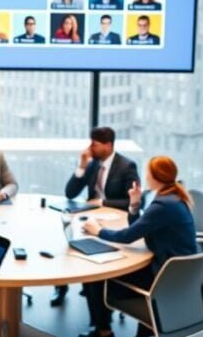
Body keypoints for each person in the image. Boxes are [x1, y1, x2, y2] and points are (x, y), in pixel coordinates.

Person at [76, 156, 198, 337]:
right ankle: (143, 328)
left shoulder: (163, 205)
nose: (145, 176)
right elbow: (141, 228)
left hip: (163, 276)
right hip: (176, 273)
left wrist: (97, 231)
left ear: (155, 177)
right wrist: (134, 204)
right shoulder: (172, 196)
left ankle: (103, 332)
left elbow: (127, 236)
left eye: (148, 173)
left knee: (96, 278)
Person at [52, 127, 139, 307]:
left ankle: (96, 294)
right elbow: (70, 193)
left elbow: (133, 201)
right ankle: (61, 287)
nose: (90, 148)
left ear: (108, 145)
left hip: (115, 221)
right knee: (65, 241)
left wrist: (103, 203)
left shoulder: (126, 166)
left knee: (91, 247)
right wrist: (82, 166)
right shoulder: (93, 164)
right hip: (90, 218)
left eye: (94, 144)